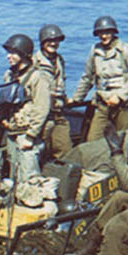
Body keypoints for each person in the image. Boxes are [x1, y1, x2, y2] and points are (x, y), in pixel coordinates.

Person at [68, 15, 128, 143]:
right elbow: (87, 77)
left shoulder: (126, 49)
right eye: (100, 33)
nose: (104, 36)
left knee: (123, 140)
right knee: (92, 141)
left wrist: (120, 96)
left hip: (123, 105)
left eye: (107, 33)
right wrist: (77, 99)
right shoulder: (95, 50)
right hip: (103, 102)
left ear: (113, 32)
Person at [0, 34, 50, 182]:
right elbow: (1, 104)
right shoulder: (9, 75)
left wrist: (31, 136)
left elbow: (42, 108)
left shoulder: (37, 77)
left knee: (28, 176)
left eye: (13, 53)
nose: (9, 57)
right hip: (12, 130)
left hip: (26, 134)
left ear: (23, 54)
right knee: (13, 173)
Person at [34, 23, 72, 159]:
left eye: (56, 40)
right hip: (41, 114)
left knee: (65, 150)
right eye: (49, 41)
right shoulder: (34, 62)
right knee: (40, 150)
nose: (53, 44)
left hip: (58, 112)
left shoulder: (59, 60)